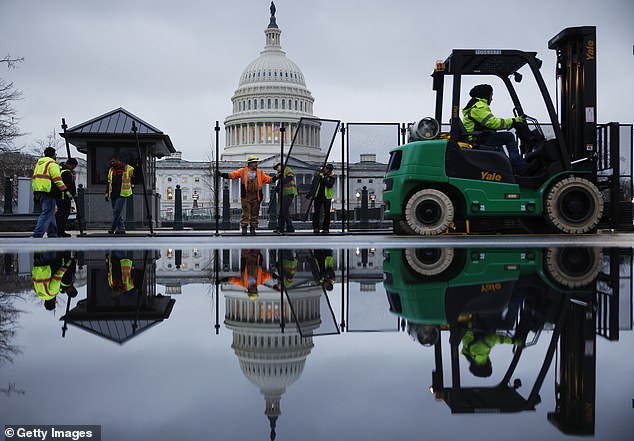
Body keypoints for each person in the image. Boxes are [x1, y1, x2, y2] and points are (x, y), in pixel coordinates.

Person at [462, 84, 528, 173]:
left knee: (497, 140)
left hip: (479, 137)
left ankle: (507, 168)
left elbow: (491, 123)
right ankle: (519, 166)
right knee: (509, 136)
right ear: (485, 94)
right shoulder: (478, 107)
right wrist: (513, 120)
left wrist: (511, 122)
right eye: (491, 95)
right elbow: (494, 123)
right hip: (477, 139)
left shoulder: (476, 106)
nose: (492, 98)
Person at [219, 155, 272, 235]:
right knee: (245, 212)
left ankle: (253, 228)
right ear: (250, 163)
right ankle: (244, 228)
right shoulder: (243, 171)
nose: (256, 164)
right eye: (254, 162)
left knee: (255, 213)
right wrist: (222, 174)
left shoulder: (260, 173)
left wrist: (277, 177)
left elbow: (268, 180)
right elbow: (233, 175)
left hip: (256, 195)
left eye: (256, 162)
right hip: (246, 196)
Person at [32, 147, 71, 238]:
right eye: (55, 154)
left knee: (50, 212)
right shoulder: (52, 164)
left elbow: (34, 177)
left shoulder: (39, 164)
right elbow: (57, 180)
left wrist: (35, 191)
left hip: (39, 190)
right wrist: (65, 190)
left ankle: (52, 233)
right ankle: (37, 234)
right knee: (47, 213)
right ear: (53, 155)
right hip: (49, 191)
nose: (55, 156)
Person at [105, 154, 135, 235]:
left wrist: (135, 171)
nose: (112, 163)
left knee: (117, 211)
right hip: (113, 194)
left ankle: (113, 228)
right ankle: (121, 228)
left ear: (119, 161)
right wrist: (107, 193)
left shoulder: (127, 168)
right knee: (117, 213)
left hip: (122, 193)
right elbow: (109, 182)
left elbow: (134, 174)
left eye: (113, 161)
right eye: (111, 162)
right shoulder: (111, 170)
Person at [307, 163, 336, 234]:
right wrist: (309, 194)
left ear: (329, 170)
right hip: (318, 196)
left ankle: (325, 228)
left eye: (326, 169)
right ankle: (316, 228)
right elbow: (313, 185)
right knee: (316, 213)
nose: (324, 170)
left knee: (327, 213)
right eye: (325, 169)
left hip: (327, 197)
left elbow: (329, 185)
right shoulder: (319, 175)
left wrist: (322, 179)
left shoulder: (332, 176)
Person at [272, 162, 298, 233]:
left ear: (280, 165)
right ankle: (282, 227)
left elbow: (289, 178)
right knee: (283, 211)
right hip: (283, 194)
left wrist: (281, 179)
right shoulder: (282, 173)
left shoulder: (287, 169)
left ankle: (286, 227)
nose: (277, 170)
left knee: (284, 210)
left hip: (289, 193)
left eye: (277, 168)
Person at [56, 157, 78, 237]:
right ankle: (60, 231)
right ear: (71, 164)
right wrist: (71, 196)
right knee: (64, 214)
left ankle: (58, 230)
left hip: (60, 196)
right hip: (63, 196)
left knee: (60, 213)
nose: (73, 169)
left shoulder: (61, 170)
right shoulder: (66, 173)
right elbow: (68, 186)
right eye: (73, 167)